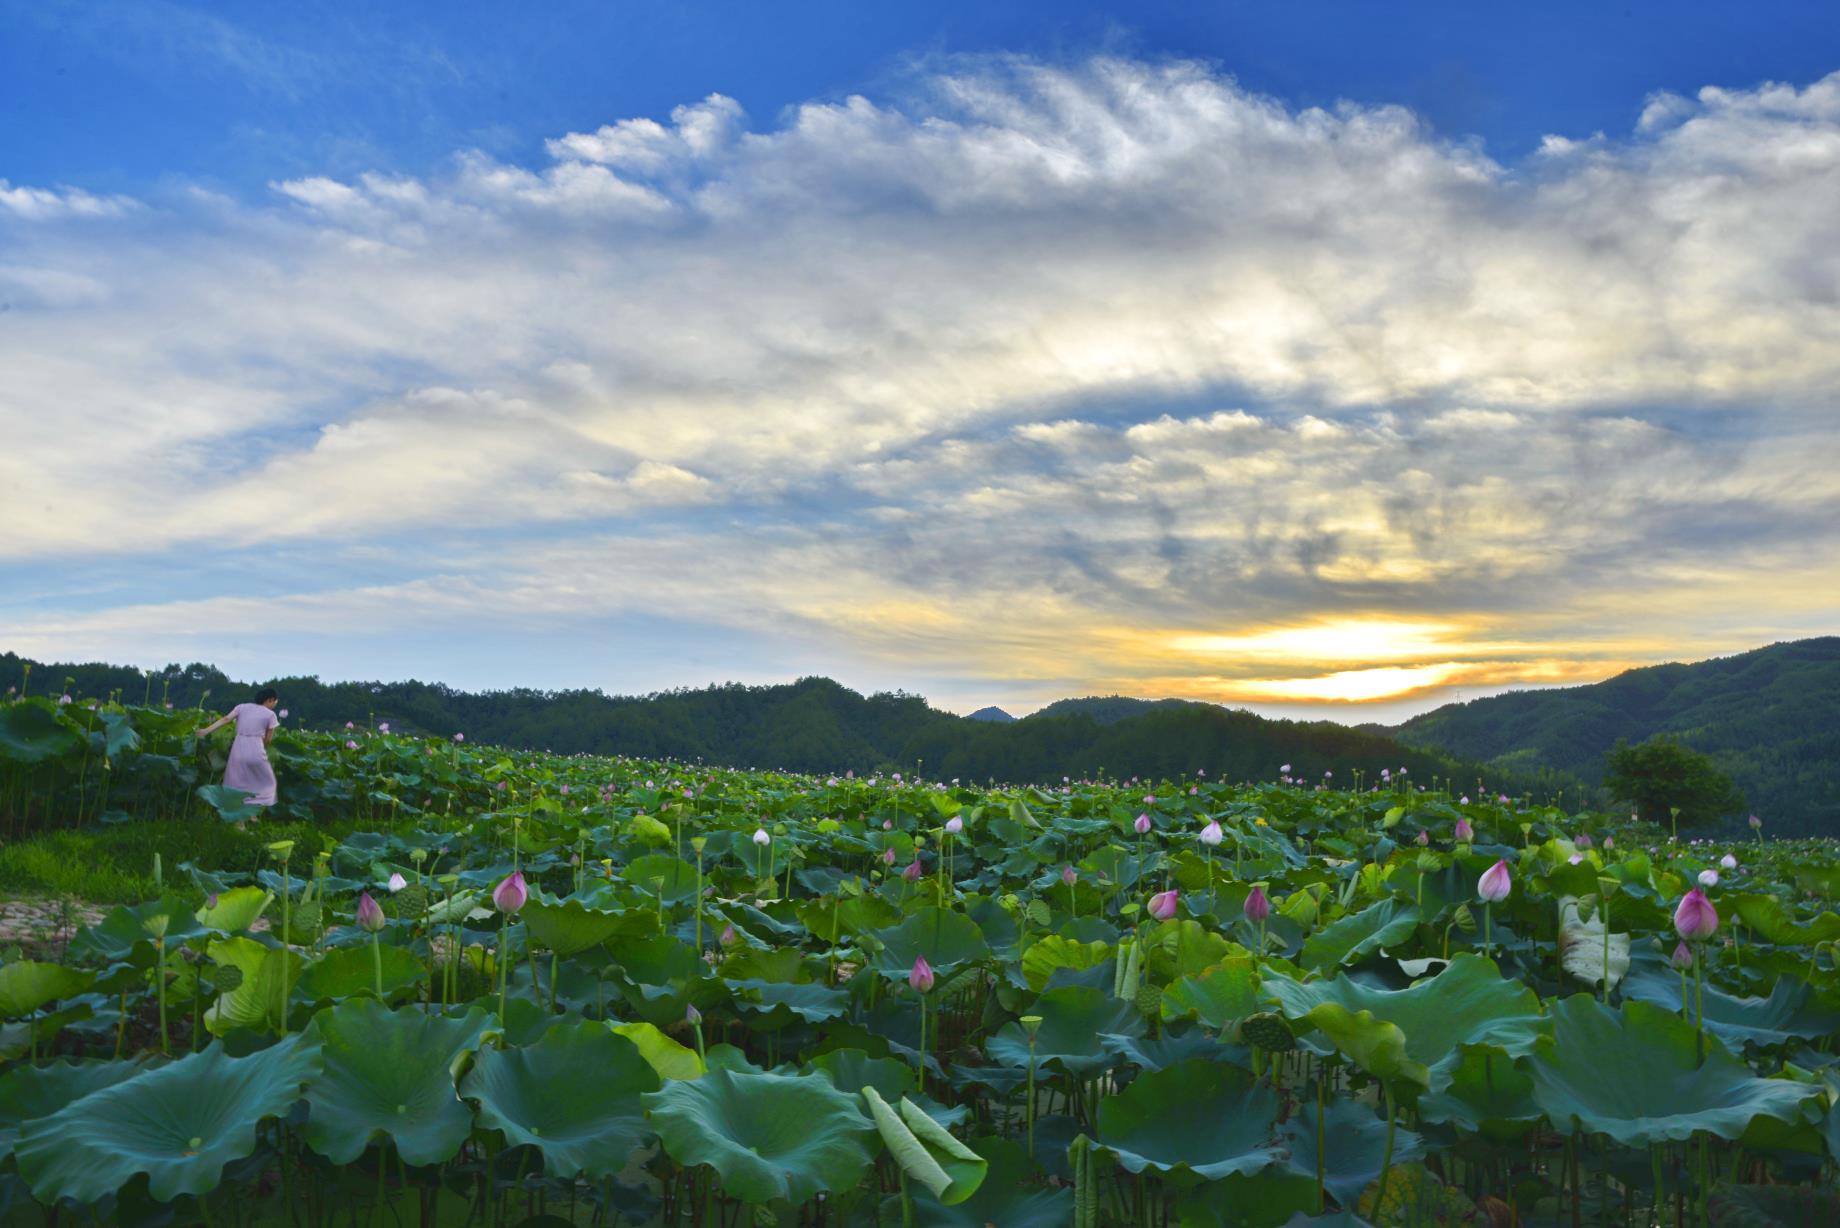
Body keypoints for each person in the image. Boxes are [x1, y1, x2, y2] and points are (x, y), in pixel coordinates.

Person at [198, 686, 281, 809]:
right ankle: (253, 810)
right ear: (270, 700)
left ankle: (238, 819)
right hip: (256, 747)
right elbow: (268, 739)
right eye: (275, 701)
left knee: (236, 783)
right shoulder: (271, 715)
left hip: (238, 746)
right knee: (266, 781)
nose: (275, 704)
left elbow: (226, 719)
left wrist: (205, 731)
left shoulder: (241, 707)